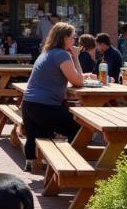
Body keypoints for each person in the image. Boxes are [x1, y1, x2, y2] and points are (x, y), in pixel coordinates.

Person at [22, 23, 85, 173]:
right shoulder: (62, 54)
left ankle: (31, 161)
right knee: (79, 128)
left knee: (39, 132)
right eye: (72, 36)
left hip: (29, 104)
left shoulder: (46, 53)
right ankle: (71, 165)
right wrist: (76, 57)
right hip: (44, 106)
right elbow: (78, 81)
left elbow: (57, 75)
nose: (75, 39)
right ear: (64, 38)